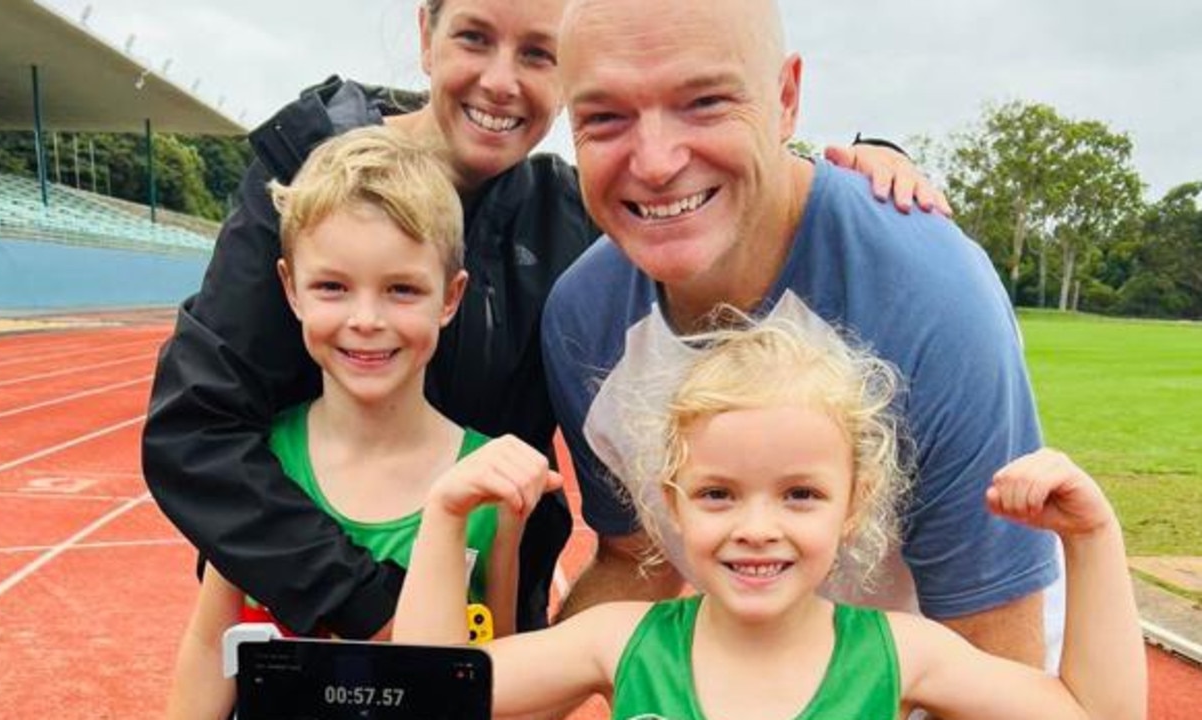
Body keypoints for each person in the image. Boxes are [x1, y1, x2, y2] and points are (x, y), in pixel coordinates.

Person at [142, 0, 941, 641]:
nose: (500, 81)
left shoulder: (572, 217)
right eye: (474, 38)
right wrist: (372, 606)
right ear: (425, 34)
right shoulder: (307, 178)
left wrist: (865, 162)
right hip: (309, 625)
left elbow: (713, 196)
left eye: (538, 54)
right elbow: (193, 434)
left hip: (487, 621)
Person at [541, 0, 1059, 670]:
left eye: (703, 102)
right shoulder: (585, 315)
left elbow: (996, 652)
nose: (657, 161)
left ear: (786, 99)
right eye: (605, 116)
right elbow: (633, 563)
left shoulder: (931, 299)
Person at [396, 299, 1146, 720]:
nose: (758, 527)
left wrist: (1094, 538)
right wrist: (443, 518)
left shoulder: (900, 652)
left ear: (853, 507)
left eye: (801, 494)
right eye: (720, 493)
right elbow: (423, 704)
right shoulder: (621, 643)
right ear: (673, 507)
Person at [165, 126, 559, 720]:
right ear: (290, 290)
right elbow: (207, 643)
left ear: (450, 298)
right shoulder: (260, 469)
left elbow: (492, 677)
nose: (366, 319)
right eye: (332, 287)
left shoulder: (489, 490)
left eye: (402, 289)